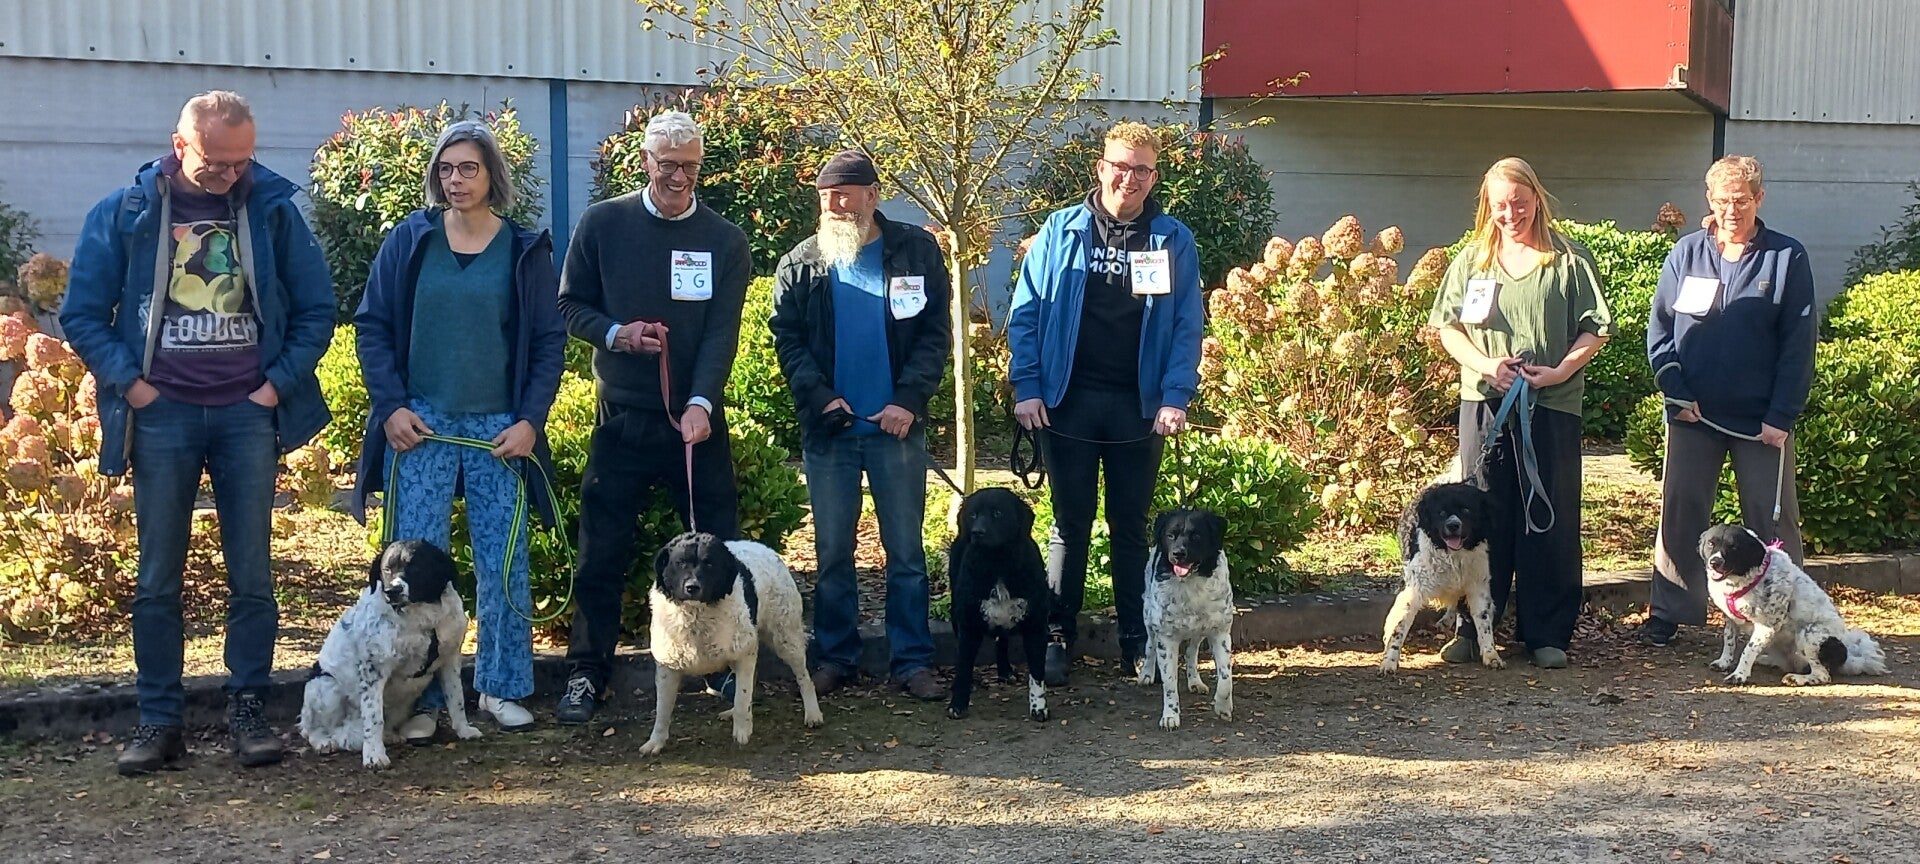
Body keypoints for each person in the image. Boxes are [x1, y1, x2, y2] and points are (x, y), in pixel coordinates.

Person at [60, 91, 335, 774]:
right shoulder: (125, 213)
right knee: (158, 576)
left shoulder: (271, 210)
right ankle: (159, 720)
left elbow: (317, 310)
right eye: (216, 163)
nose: (231, 175)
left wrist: (274, 386)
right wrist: (134, 385)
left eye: (243, 161)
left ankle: (249, 712)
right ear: (180, 145)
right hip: (164, 415)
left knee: (253, 575)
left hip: (247, 414)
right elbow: (82, 314)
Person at [351, 120, 568, 739]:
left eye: (468, 168)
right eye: (446, 170)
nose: (456, 180)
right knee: (411, 569)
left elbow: (548, 342)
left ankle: (501, 687)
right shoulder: (410, 240)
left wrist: (530, 422)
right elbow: (372, 325)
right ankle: (419, 700)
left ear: (491, 175)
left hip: (499, 428)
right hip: (419, 425)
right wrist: (391, 407)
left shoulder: (524, 250)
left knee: (503, 564)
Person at [552, 110, 752, 723]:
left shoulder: (725, 240)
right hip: (622, 418)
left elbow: (722, 332)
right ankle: (587, 673)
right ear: (644, 162)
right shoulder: (602, 224)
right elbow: (569, 305)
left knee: (718, 550)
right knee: (601, 552)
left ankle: (724, 667)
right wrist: (617, 334)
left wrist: (701, 403)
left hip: (695, 424)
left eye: (690, 166)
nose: (679, 177)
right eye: (668, 164)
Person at [1007, 121, 1204, 685]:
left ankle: (1137, 641)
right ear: (1101, 168)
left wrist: (1174, 396)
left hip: (1138, 407)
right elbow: (1027, 311)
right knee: (1069, 525)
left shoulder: (1172, 240)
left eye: (1141, 169)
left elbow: (1186, 323)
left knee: (1131, 527)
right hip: (1067, 401)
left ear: (1153, 177)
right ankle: (1057, 636)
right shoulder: (1061, 229)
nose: (1129, 178)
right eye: (1120, 166)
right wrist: (1027, 386)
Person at [769, 150, 952, 700]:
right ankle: (835, 657)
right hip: (831, 435)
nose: (834, 206)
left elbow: (934, 335)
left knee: (906, 554)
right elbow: (789, 342)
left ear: (872, 196)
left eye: (844, 195)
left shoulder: (915, 252)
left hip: (897, 431)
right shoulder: (801, 263)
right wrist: (822, 399)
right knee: (832, 555)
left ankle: (912, 661)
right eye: (826, 197)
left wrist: (908, 401)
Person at [1429, 156, 1612, 670]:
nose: (1511, 214)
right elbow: (1448, 329)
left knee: (1548, 517)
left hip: (1551, 405)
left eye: (1519, 202)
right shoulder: (1472, 261)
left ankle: (1546, 632)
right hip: (1484, 403)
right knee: (1478, 517)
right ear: (1487, 207)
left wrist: (1558, 372)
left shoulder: (1569, 260)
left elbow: (1595, 329)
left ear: (1536, 198)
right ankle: (1473, 628)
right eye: (1500, 205)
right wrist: (1488, 365)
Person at [1642, 155, 1815, 647]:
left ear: (1759, 198)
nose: (1731, 210)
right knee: (1681, 512)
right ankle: (1671, 611)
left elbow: (1799, 343)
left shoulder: (1786, 256)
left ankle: (1792, 616)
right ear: (1709, 200)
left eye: (1741, 200)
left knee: (1772, 519)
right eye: (1722, 201)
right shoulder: (1686, 253)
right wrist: (1675, 391)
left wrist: (1782, 414)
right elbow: (1660, 330)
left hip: (1761, 422)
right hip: (1692, 414)